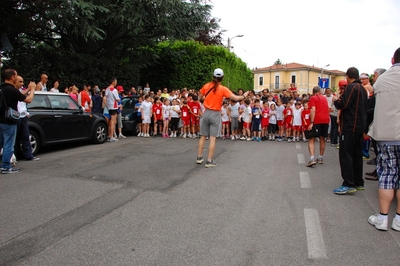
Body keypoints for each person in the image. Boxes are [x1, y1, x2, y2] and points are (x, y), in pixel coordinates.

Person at [367, 48, 400, 231]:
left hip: (386, 135)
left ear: (392, 59)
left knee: (387, 175)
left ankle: (382, 218)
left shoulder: (383, 79)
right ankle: (399, 220)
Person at [197, 68, 249, 168]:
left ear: (213, 76)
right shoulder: (223, 89)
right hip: (216, 113)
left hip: (206, 112)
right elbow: (236, 98)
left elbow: (200, 97)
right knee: (212, 138)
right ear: (222, 77)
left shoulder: (206, 85)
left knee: (203, 136)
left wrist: (207, 100)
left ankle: (199, 157)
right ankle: (209, 161)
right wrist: (244, 95)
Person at [332, 67, 367, 194]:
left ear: (347, 76)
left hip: (350, 126)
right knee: (357, 155)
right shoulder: (362, 89)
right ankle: (358, 182)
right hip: (359, 127)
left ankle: (348, 183)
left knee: (346, 155)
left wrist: (336, 100)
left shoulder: (352, 87)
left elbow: (343, 104)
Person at [0, 69, 36, 173]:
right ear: (12, 77)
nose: (17, 77)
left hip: (1, 120)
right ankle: (6, 166)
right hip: (9, 121)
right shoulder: (11, 90)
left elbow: (19, 96)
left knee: (1, 143)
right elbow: (28, 99)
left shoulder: (3, 88)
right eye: (16, 76)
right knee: (9, 145)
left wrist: (28, 89)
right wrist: (32, 89)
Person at [365, 68, 387, 180]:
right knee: (378, 149)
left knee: (381, 150)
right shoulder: (378, 89)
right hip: (375, 122)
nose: (373, 78)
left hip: (379, 123)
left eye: (374, 76)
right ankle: (377, 170)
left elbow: (376, 108)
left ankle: (379, 172)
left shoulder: (381, 89)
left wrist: (365, 112)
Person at [15, 75, 39, 161]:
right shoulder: (13, 91)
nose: (22, 84)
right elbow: (22, 97)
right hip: (15, 117)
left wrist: (26, 112)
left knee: (25, 136)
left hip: (23, 116)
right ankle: (14, 156)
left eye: (22, 81)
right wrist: (30, 89)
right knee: (15, 138)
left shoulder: (22, 90)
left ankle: (28, 155)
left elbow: (27, 100)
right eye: (20, 82)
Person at [306, 86, 330, 167]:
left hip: (317, 120)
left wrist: (312, 122)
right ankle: (320, 157)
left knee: (312, 138)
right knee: (322, 138)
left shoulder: (313, 98)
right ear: (320, 92)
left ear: (313, 92)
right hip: (325, 119)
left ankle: (312, 158)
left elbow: (313, 109)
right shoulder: (324, 98)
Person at [105, 78, 120, 142]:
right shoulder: (114, 90)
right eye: (116, 81)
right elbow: (117, 99)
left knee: (111, 121)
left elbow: (106, 97)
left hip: (109, 106)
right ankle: (111, 136)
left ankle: (109, 135)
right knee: (113, 122)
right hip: (114, 106)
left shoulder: (107, 89)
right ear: (113, 82)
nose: (116, 83)